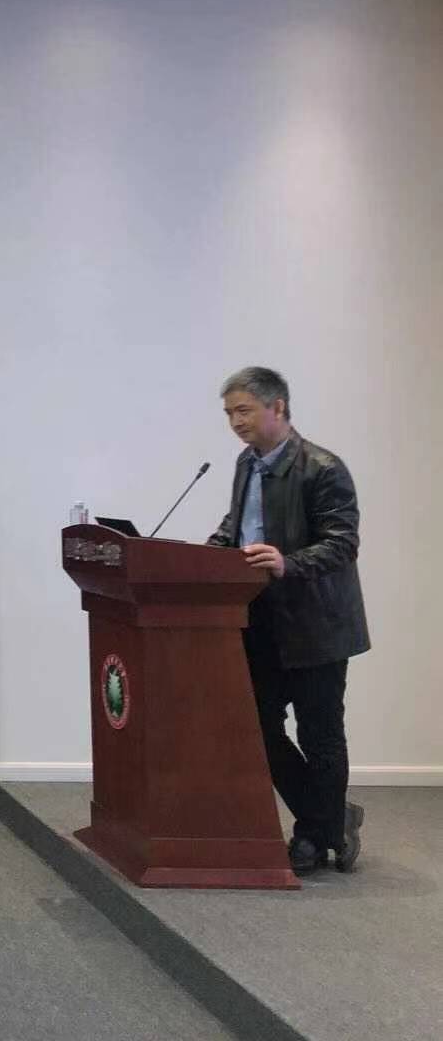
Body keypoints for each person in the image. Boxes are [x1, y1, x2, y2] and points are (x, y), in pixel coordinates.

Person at [207, 367, 370, 876]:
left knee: (321, 735)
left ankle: (311, 837)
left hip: (317, 625)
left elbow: (342, 543)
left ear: (277, 407)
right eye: (229, 413)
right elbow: (239, 526)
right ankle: (331, 819)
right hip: (261, 622)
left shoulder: (323, 468)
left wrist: (288, 563)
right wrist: (206, 554)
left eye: (244, 410)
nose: (235, 422)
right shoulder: (246, 463)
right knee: (258, 728)